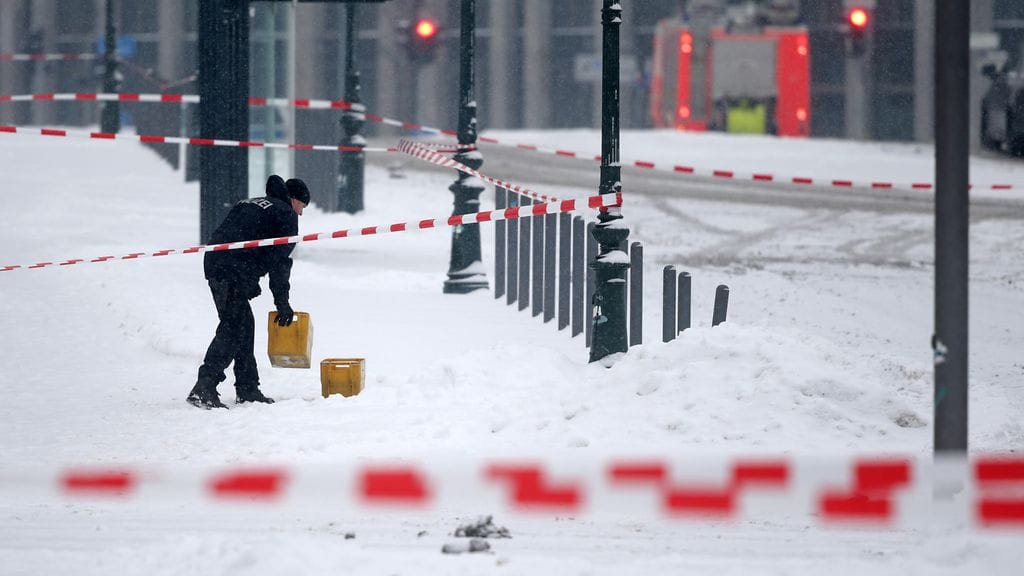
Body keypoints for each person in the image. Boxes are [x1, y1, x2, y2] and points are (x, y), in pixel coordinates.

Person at [187, 175, 311, 409]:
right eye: (302, 206)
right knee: (234, 328)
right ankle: (205, 386)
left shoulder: (251, 202)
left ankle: (248, 388)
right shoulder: (285, 214)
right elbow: (279, 263)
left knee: (243, 325)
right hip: (232, 268)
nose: (301, 213)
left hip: (216, 263)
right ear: (294, 199)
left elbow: (241, 237)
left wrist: (247, 276)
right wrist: (282, 302)